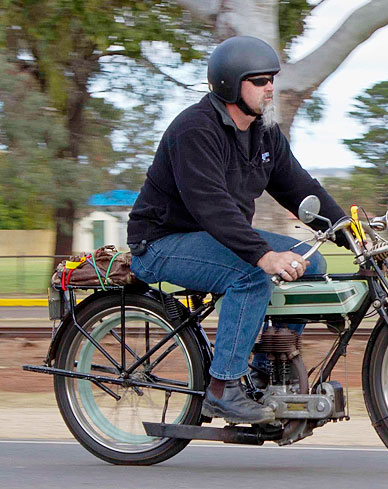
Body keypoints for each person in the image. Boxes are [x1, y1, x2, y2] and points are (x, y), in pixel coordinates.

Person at [126, 36, 347, 425]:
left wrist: (351, 232)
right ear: (230, 84)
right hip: (161, 243)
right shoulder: (195, 129)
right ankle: (222, 389)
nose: (270, 88)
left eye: (271, 79)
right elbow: (211, 206)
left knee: (310, 265)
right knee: (252, 275)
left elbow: (299, 188)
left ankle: (263, 370)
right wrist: (264, 255)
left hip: (214, 239)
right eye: (260, 80)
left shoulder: (264, 133)